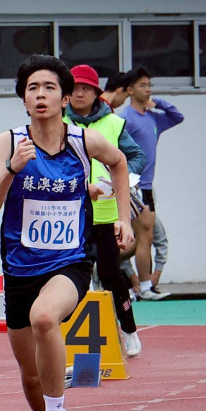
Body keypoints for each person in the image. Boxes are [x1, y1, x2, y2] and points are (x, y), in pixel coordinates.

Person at [0, 55, 132, 411]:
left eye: (49, 87)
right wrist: (12, 170)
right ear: (24, 101)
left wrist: (122, 216)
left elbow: (119, 163)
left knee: (45, 317)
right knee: (29, 376)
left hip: (70, 262)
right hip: (20, 268)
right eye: (32, 88)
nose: (40, 94)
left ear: (65, 98)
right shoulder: (10, 144)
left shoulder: (84, 143)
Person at [65, 64, 147, 357]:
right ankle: (70, 336)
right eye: (74, 88)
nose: (79, 94)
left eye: (85, 88)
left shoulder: (113, 123)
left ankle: (129, 331)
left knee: (112, 273)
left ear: (96, 93)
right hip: (68, 213)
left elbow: (135, 156)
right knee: (72, 275)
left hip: (105, 212)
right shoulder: (58, 121)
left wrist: (124, 179)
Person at [118, 68, 184, 300]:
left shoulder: (153, 117)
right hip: (133, 184)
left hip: (147, 186)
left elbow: (177, 116)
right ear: (130, 90)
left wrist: (158, 103)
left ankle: (139, 286)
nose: (148, 89)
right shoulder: (125, 117)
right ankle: (139, 285)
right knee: (138, 237)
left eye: (149, 85)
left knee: (145, 237)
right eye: (143, 85)